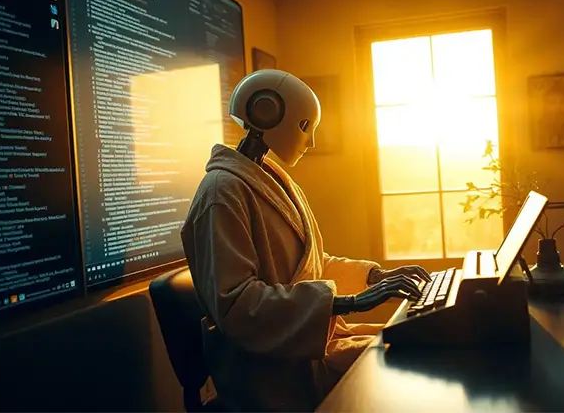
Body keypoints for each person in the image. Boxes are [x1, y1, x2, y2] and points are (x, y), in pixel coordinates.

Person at [180, 70, 431, 412]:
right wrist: (349, 303)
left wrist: (375, 277)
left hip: (306, 350)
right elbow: (238, 305)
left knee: (411, 340)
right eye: (305, 127)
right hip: (272, 374)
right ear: (266, 112)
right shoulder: (222, 193)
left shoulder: (270, 177)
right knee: (410, 363)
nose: (310, 142)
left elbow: (309, 265)